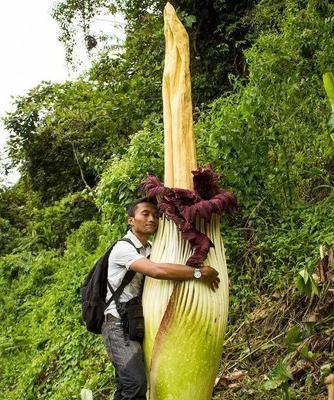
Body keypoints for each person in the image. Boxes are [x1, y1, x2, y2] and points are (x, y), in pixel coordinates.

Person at [101, 197, 220, 400]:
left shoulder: (151, 248)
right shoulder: (123, 248)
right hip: (116, 324)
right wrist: (199, 273)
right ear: (131, 220)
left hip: (134, 322)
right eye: (145, 214)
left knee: (127, 386)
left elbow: (170, 269)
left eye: (156, 215)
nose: (152, 219)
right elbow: (156, 271)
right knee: (136, 385)